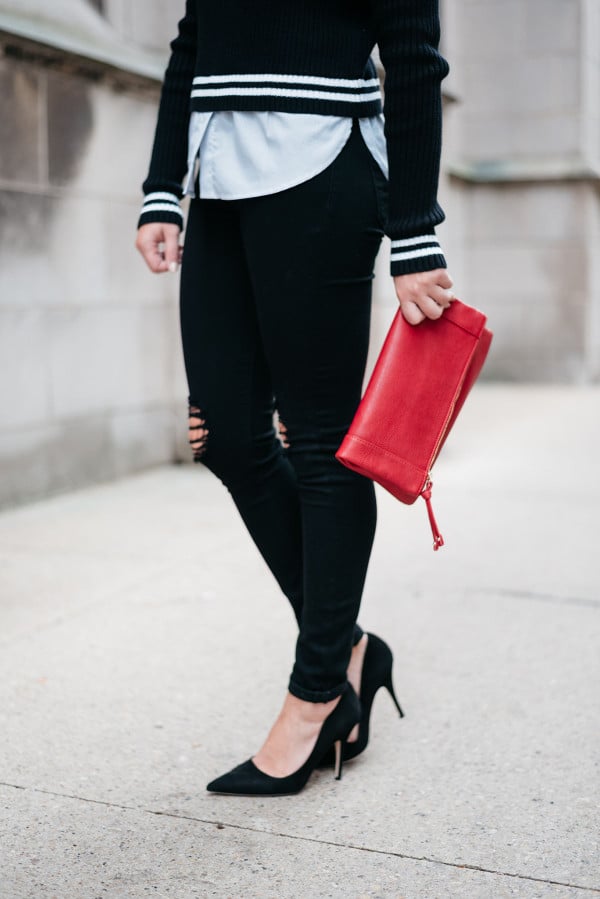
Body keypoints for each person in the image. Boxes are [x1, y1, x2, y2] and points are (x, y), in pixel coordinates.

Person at [135, 0, 454, 796]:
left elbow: (414, 55)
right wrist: (162, 186)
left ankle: (317, 695)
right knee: (226, 434)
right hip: (219, 174)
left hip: (324, 163)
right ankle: (349, 647)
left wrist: (415, 229)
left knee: (320, 442)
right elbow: (194, 38)